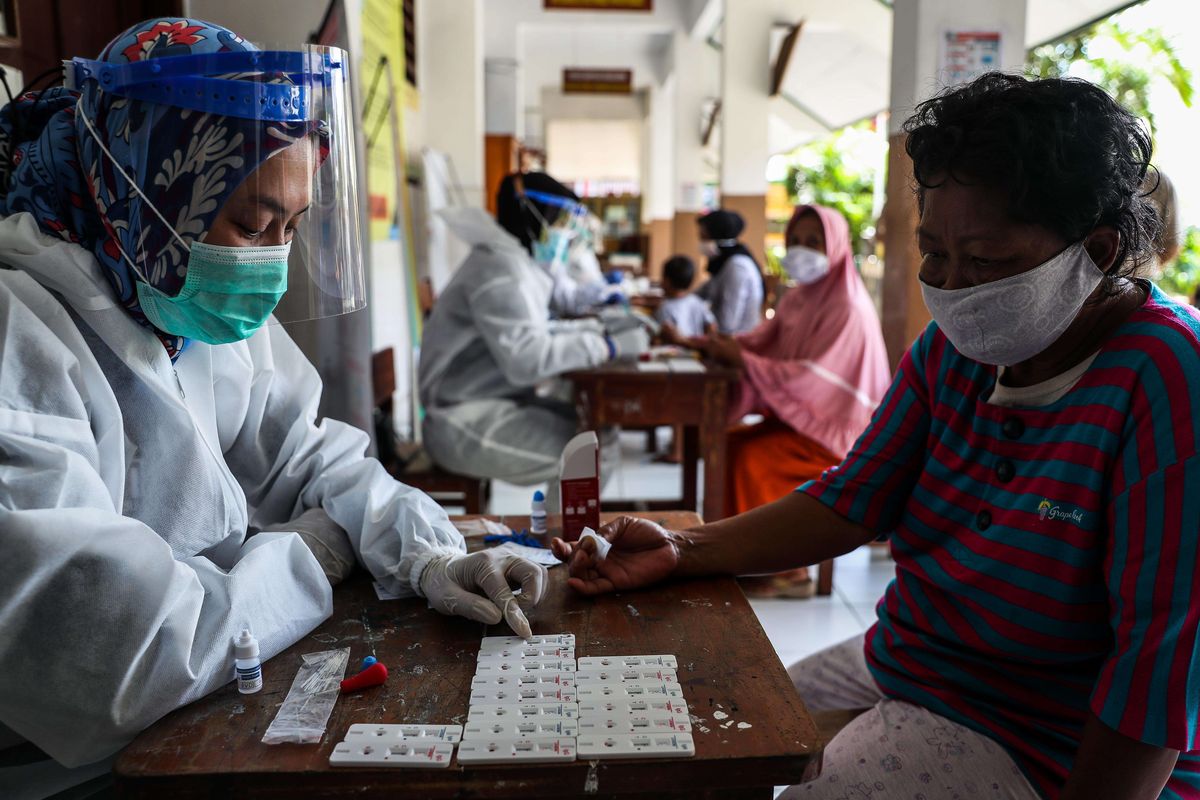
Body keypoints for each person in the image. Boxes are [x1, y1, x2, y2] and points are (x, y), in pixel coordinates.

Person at [553, 73, 1200, 799]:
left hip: (1049, 735)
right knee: (710, 739)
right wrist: (683, 549)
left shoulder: (1169, 379)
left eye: (985, 261)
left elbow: (1160, 661)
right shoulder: (955, 351)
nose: (954, 285)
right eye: (934, 253)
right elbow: (853, 498)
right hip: (915, 661)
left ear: (1099, 251)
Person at [0, 19, 547, 795]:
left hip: (204, 710)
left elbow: (312, 455)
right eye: (253, 225)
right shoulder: (18, 334)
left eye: (290, 228)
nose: (271, 262)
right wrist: (314, 555)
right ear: (144, 190)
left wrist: (426, 552)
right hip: (66, 770)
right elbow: (116, 654)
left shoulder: (177, 301)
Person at [419, 172, 648, 501]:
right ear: (533, 216)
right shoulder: (500, 271)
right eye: (562, 222)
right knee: (588, 456)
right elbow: (527, 360)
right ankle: (561, 549)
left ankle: (560, 540)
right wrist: (606, 345)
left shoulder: (512, 263)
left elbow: (538, 330)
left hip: (484, 405)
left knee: (598, 434)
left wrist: (598, 329)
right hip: (459, 419)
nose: (567, 234)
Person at [700, 204, 890, 597]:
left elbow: (812, 380)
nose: (801, 250)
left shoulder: (847, 307)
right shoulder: (799, 299)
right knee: (729, 444)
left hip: (838, 433)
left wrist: (743, 359)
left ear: (835, 246)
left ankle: (786, 571)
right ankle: (730, 555)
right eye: (796, 241)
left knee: (753, 460)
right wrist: (713, 345)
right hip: (803, 422)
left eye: (813, 242)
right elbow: (762, 341)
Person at [695, 209, 763, 334]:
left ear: (716, 235)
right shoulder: (723, 264)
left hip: (738, 341)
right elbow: (699, 295)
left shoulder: (737, 267)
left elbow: (727, 323)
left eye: (703, 237)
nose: (700, 242)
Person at [656, 255, 715, 340]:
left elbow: (660, 336)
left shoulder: (664, 308)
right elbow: (712, 326)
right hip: (697, 349)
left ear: (667, 281)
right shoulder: (698, 302)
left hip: (676, 351)